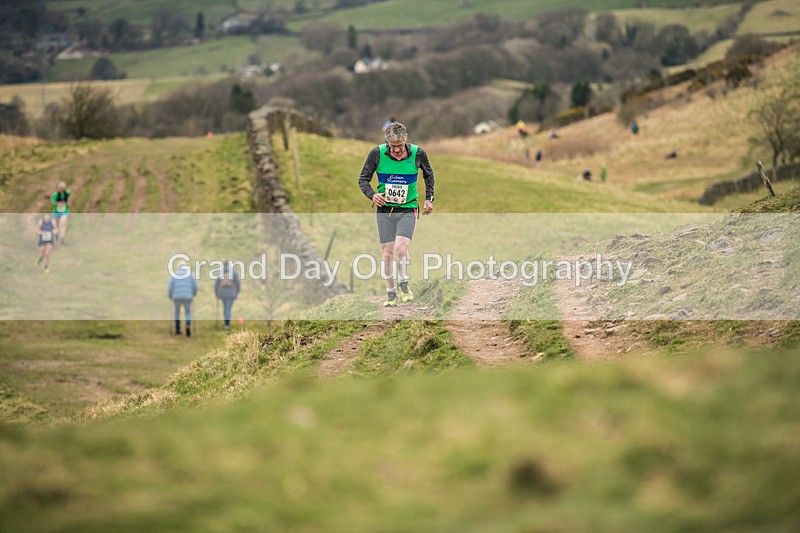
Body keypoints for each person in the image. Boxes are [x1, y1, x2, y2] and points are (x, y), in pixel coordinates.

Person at [358, 122, 434, 307]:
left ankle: (404, 284)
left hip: (407, 208)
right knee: (387, 254)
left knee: (400, 249)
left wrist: (429, 198)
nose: (397, 150)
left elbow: (429, 175)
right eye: (393, 147)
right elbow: (363, 179)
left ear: (405, 139)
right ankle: (391, 294)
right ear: (387, 143)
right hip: (385, 210)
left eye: (400, 146)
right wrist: (373, 195)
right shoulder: (376, 154)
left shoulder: (418, 153)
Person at [168, 262, 198, 337]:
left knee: (177, 312)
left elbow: (170, 287)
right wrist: (194, 293)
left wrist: (170, 295)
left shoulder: (174, 275)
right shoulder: (190, 274)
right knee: (188, 312)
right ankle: (188, 326)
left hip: (176, 297)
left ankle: (177, 328)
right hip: (187, 296)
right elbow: (195, 286)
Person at [214, 259, 241, 331]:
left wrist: (216, 293)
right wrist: (237, 292)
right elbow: (238, 283)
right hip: (231, 293)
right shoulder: (233, 273)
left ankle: (226, 323)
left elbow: (216, 284)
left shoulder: (220, 273)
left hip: (222, 293)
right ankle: (227, 324)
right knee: (228, 309)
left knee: (225, 308)